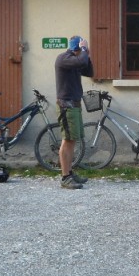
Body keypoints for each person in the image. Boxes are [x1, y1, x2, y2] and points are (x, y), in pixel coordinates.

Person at [55, 35, 93, 189]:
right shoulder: (64, 58)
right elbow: (81, 61)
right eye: (81, 49)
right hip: (66, 105)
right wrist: (84, 50)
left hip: (74, 105)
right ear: (76, 49)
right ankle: (65, 177)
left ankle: (69, 173)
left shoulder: (76, 61)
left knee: (73, 139)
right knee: (67, 140)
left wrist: (87, 54)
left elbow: (89, 71)